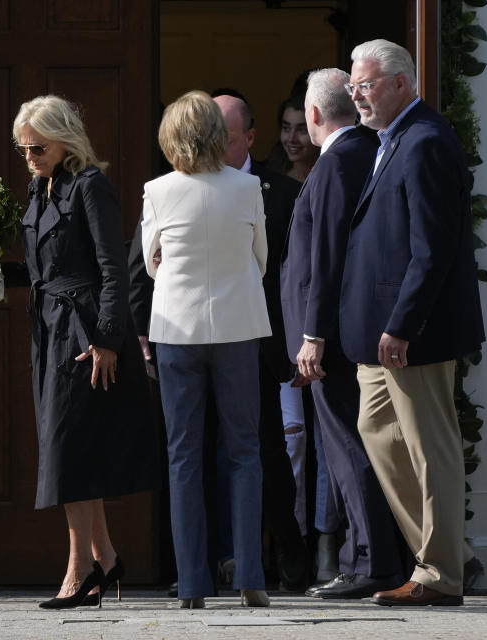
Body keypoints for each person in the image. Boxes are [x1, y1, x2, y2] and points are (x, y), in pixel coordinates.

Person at [0, 95, 156, 610]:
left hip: (84, 331)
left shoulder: (91, 186)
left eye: (37, 147)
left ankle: (80, 571)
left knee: (68, 450)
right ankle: (108, 558)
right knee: (70, 448)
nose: (28, 155)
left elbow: (112, 269)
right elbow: (40, 274)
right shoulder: (39, 187)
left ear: (63, 139)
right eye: (22, 148)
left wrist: (108, 338)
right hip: (48, 329)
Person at [339, 39, 486, 606]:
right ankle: (450, 552)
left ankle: (441, 575)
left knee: (431, 449)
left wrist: (403, 325)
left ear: (401, 83)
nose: (358, 96)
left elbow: (434, 251)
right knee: (377, 432)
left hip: (411, 333)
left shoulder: (423, 141)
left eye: (367, 85)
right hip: (380, 335)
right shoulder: (392, 137)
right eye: (353, 87)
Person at [142, 90, 270, 609]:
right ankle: (250, 578)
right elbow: (260, 257)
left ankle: (193, 584)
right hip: (238, 326)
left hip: (177, 329)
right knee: (244, 452)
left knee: (183, 458)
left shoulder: (155, 190)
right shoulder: (248, 186)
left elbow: (152, 265)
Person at [280, 68, 405, 599]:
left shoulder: (335, 162)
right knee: (354, 447)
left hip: (328, 339)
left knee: (348, 449)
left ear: (313, 115)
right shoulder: (365, 151)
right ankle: (363, 557)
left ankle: (370, 562)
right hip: (347, 333)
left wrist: (313, 335)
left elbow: (326, 256)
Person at [211, 91, 309, 592]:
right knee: (205, 455)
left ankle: (288, 551)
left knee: (270, 454)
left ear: (249, 138)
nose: (209, 146)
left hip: (263, 345)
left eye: (223, 138)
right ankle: (207, 562)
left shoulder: (283, 194)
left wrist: (293, 345)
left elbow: (294, 278)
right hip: (202, 341)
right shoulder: (181, 188)